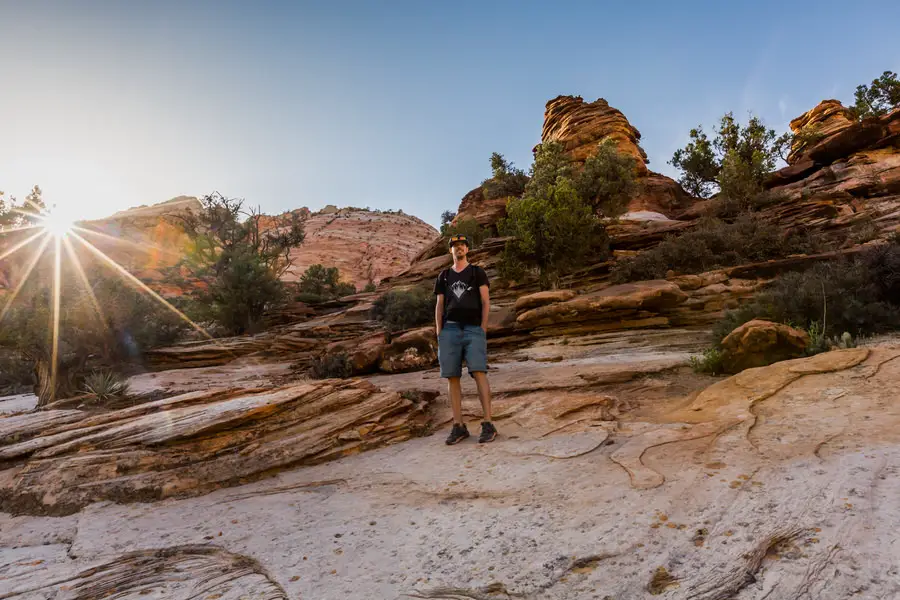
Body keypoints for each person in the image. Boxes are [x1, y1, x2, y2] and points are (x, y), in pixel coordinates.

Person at [433, 234, 497, 445]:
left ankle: (488, 423)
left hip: (473, 329)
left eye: (462, 245)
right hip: (450, 329)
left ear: (467, 249)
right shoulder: (443, 276)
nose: (458, 248)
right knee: (452, 377)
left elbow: (486, 301)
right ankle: (458, 426)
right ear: (450, 251)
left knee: (479, 373)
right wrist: (439, 331)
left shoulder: (477, 272)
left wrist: (483, 328)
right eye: (454, 246)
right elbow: (440, 304)